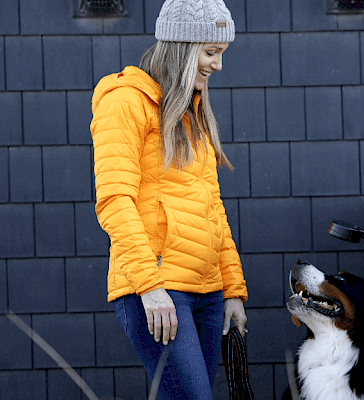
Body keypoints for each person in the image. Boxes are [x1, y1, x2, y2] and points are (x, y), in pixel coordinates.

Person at [90, 0, 248, 398]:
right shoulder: (125, 102)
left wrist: (232, 289)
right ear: (181, 47)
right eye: (210, 53)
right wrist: (149, 286)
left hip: (207, 294)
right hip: (158, 290)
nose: (217, 65)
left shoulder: (192, 115)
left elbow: (214, 209)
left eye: (221, 54)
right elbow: (114, 201)